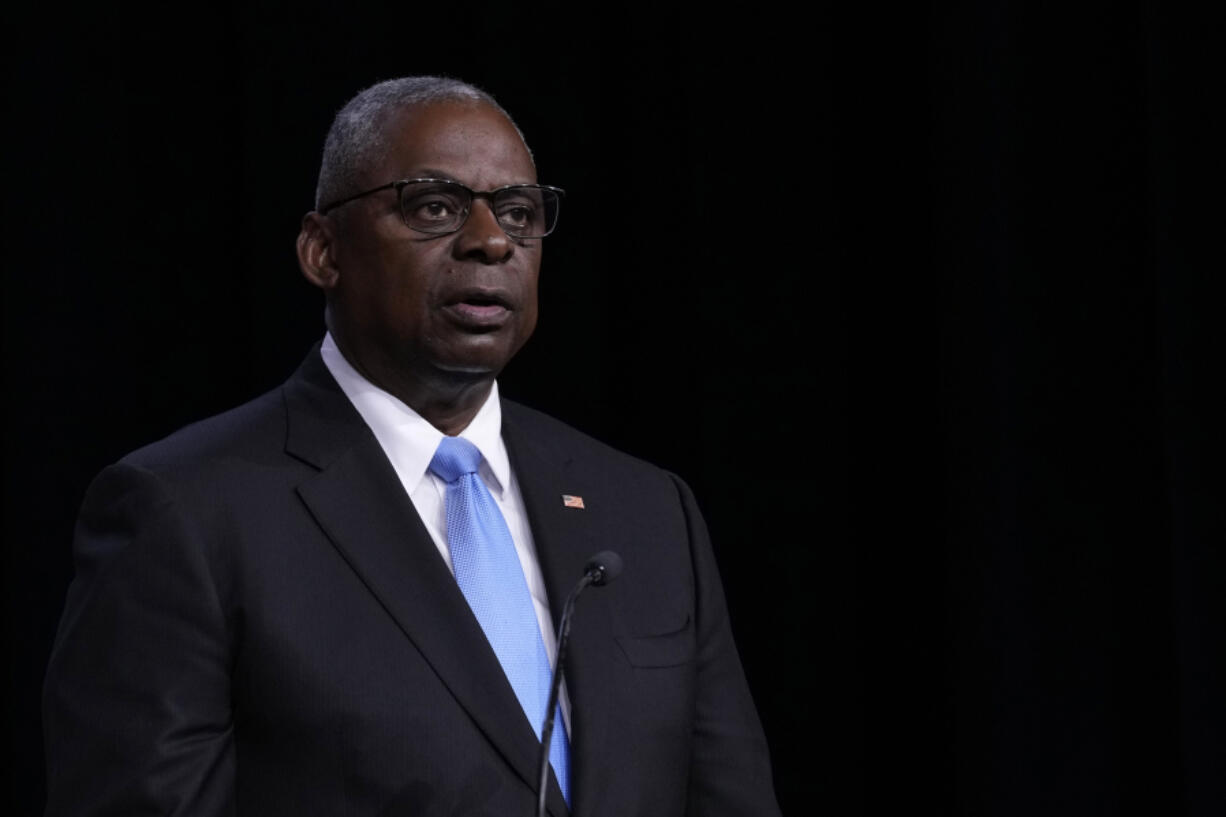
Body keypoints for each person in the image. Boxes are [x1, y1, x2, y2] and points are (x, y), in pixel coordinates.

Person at [42, 76, 780, 817]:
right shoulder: (186, 513)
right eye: (435, 206)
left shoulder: (649, 511)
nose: (492, 241)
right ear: (322, 250)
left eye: (518, 213)